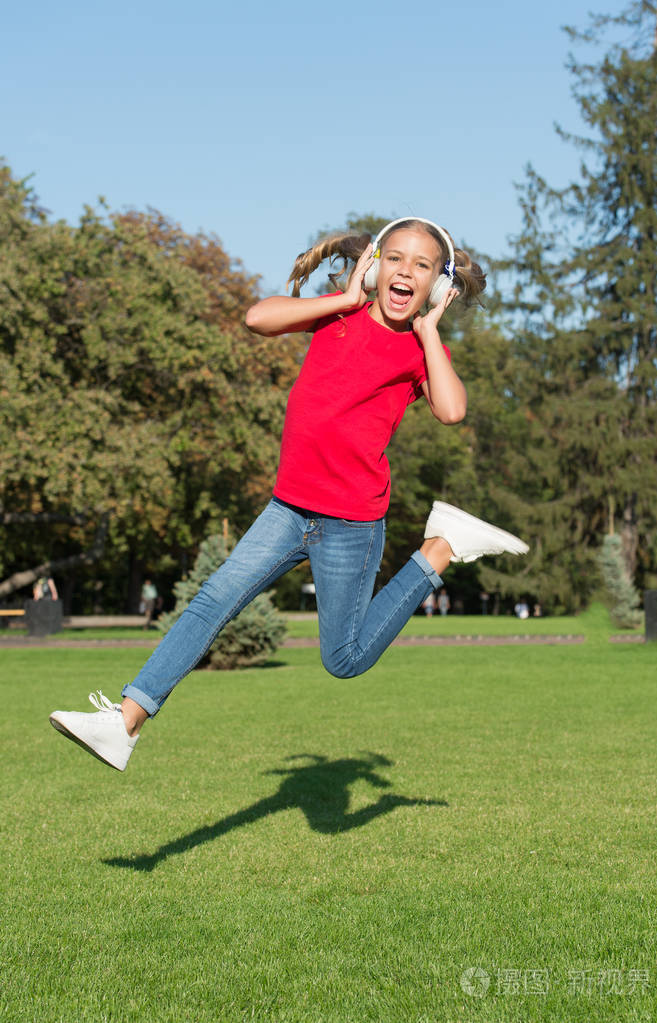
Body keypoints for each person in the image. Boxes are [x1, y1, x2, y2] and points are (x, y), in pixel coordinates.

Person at [49, 216, 529, 772]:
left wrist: (429, 335)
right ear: (374, 266)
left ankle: (438, 550)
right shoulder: (338, 313)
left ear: (437, 287)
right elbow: (258, 317)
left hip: (351, 522)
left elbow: (452, 410)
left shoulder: (419, 351)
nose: (406, 272)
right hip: (289, 507)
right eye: (395, 258)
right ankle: (126, 722)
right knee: (211, 601)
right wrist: (345, 298)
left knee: (343, 661)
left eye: (422, 266)